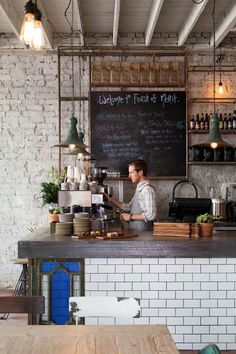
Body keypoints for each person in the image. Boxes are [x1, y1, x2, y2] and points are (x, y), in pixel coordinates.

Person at [104, 159, 157, 231]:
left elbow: (151, 215)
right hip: (137, 234)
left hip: (144, 236)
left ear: (140, 172)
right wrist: (111, 200)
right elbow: (129, 207)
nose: (129, 176)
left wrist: (130, 216)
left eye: (131, 173)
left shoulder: (147, 190)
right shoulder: (139, 189)